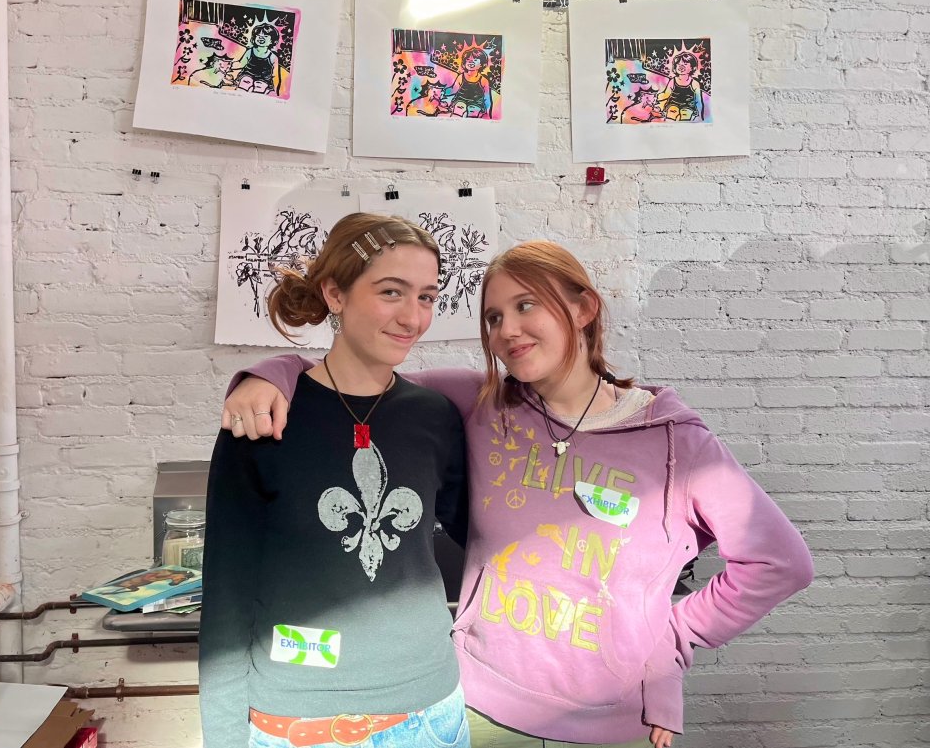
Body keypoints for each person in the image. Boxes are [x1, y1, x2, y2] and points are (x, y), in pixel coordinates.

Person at [223, 240, 815, 748]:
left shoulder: (674, 442)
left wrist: (671, 644)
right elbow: (352, 381)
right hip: (481, 709)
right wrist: (271, 372)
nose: (507, 331)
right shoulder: (477, 403)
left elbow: (779, 562)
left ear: (583, 308)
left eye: (526, 305)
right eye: (493, 317)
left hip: (613, 724)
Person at [199, 213, 470, 748]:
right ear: (335, 294)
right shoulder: (264, 418)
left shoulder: (436, 415)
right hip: (299, 723)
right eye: (391, 292)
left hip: (432, 714)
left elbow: (484, 536)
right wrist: (224, 737)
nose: (413, 317)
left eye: (427, 297)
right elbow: (227, 594)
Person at [656, 52, 704, 122]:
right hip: (673, 104)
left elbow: (698, 101)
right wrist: (657, 97)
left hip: (688, 106)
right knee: (672, 111)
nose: (681, 66)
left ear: (692, 68)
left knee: (685, 113)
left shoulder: (694, 83)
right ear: (675, 67)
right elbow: (666, 94)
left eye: (685, 64)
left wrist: (700, 115)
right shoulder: (673, 81)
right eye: (678, 64)